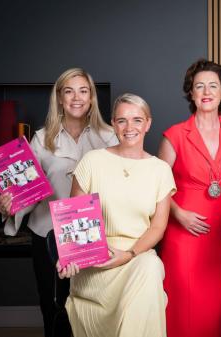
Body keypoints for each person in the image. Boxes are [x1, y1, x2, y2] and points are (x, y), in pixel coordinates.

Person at [0, 68, 118, 337]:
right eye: (69, 91)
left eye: (83, 91)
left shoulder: (110, 137)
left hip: (92, 233)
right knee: (54, 306)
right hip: (47, 234)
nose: (77, 97)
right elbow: (27, 192)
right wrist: (10, 204)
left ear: (92, 97)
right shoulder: (41, 139)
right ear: (59, 98)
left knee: (91, 306)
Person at [58, 93, 175, 337]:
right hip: (96, 261)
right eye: (121, 120)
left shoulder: (160, 170)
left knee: (151, 266)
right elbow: (73, 220)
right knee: (150, 275)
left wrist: (129, 254)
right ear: (113, 124)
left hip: (136, 258)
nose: (129, 127)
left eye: (137, 120)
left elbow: (157, 228)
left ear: (148, 123)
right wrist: (68, 255)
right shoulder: (92, 161)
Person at [157, 59, 221, 337]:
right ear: (191, 93)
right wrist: (179, 214)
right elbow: (156, 187)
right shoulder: (174, 135)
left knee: (220, 306)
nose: (206, 91)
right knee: (185, 306)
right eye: (199, 86)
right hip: (183, 230)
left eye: (213, 85)